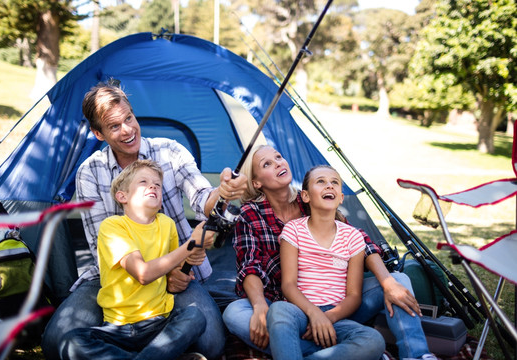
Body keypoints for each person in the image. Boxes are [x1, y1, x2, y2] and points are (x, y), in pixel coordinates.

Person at [42, 81, 247, 360]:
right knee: (55, 342)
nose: (127, 130)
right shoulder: (90, 172)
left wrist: (221, 192)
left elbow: (202, 198)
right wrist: (162, 272)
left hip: (178, 271)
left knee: (210, 343)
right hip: (117, 280)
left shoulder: (170, 152)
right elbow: (102, 253)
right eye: (114, 126)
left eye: (129, 118)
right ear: (97, 133)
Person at [222, 145, 436, 360]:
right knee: (235, 314)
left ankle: (416, 355)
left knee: (397, 280)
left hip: (338, 304)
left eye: (278, 157)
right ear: (257, 182)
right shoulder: (250, 215)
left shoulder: (314, 198)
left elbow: (362, 242)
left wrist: (387, 282)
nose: (277, 162)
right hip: (284, 304)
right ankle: (341, 351)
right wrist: (260, 306)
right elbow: (250, 266)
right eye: (267, 164)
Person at [61, 160, 214, 359]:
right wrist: (190, 245)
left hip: (160, 323)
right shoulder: (113, 227)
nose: (153, 186)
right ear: (122, 196)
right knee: (71, 341)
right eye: (143, 182)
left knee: (194, 317)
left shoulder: (166, 224)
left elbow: (172, 268)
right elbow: (143, 273)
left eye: (157, 185)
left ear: (160, 201)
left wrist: (192, 258)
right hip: (118, 329)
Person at [267, 165, 385, 360]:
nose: (329, 186)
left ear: (341, 197)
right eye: (320, 181)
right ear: (305, 196)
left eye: (335, 183)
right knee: (278, 310)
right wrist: (314, 314)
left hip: (336, 316)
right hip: (300, 311)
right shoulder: (293, 230)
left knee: (373, 340)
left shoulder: (353, 237)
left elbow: (354, 295)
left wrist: (326, 318)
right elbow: (288, 285)